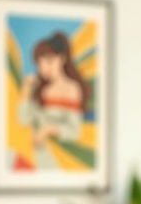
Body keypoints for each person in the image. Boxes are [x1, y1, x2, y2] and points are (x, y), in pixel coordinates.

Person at [17, 32, 89, 170]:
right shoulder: (39, 88)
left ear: (62, 59)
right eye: (40, 63)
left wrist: (47, 130)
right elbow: (23, 120)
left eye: (50, 60)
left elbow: (74, 132)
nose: (44, 67)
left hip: (56, 158)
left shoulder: (72, 89)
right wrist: (26, 90)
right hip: (30, 153)